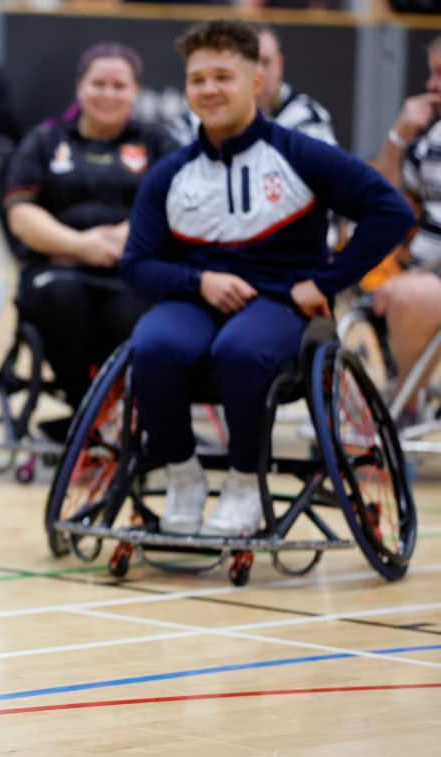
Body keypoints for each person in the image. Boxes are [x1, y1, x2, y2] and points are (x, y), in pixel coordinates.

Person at [122, 20, 413, 537]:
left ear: (256, 82)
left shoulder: (299, 154)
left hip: (281, 302)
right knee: (153, 344)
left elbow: (389, 211)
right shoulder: (170, 174)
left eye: (223, 77)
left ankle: (241, 483)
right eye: (197, 79)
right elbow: (137, 265)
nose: (209, 89)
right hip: (198, 298)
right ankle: (183, 476)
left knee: (241, 350)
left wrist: (327, 282)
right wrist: (200, 282)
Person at [4, 43, 177, 438]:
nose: (108, 93)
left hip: (130, 270)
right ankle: (89, 413)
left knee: (133, 311)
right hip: (56, 269)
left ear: (136, 92)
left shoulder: (158, 143)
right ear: (80, 88)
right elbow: (21, 214)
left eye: (120, 85)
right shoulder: (45, 141)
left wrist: (120, 239)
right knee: (63, 299)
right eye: (98, 83)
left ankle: (109, 412)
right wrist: (81, 245)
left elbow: (172, 209)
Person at [370, 34, 441, 419]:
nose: (431, 86)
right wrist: (398, 138)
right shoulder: (432, 138)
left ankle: (402, 409)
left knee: (407, 298)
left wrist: (411, 284)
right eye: (431, 75)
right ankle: (398, 405)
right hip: (419, 272)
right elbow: (385, 202)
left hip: (425, 283)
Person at [170, 24, 337, 148]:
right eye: (251, 63)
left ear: (279, 65)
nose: (259, 72)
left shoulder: (306, 117)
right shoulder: (199, 117)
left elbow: (335, 182)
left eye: (265, 62)